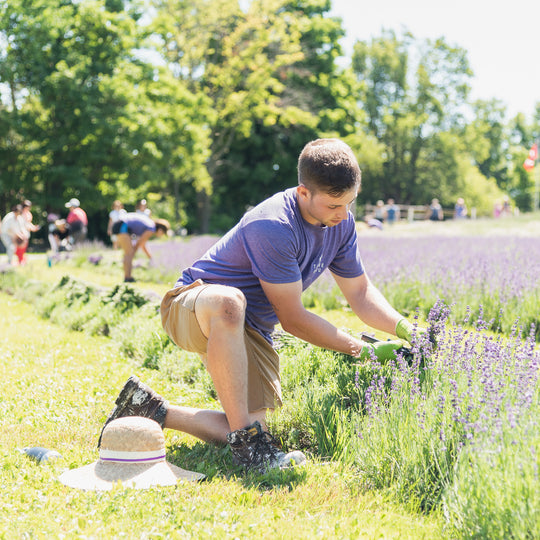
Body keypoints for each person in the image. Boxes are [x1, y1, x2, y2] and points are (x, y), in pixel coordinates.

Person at [98, 138, 429, 475]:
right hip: (192, 306)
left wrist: (405, 328)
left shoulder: (341, 224)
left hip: (251, 330)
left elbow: (359, 293)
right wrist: (363, 350)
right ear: (303, 193)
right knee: (231, 301)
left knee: (250, 422)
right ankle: (251, 450)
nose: (344, 215)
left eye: (350, 203)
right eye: (333, 205)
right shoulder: (273, 225)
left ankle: (148, 409)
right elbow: (293, 320)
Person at [111, 212, 170, 282]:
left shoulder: (150, 225)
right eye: (163, 233)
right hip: (122, 225)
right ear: (160, 230)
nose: (162, 235)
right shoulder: (151, 228)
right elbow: (139, 242)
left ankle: (127, 277)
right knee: (129, 253)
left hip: (120, 224)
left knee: (128, 253)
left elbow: (142, 245)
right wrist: (133, 252)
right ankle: (128, 278)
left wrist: (149, 257)